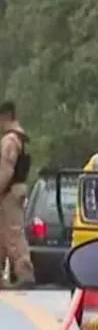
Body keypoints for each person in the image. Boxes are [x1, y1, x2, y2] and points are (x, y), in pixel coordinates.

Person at [0, 101, 34, 288]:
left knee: (13, 233)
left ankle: (24, 273)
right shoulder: (20, 138)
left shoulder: (10, 140)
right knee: (3, 234)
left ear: (5, 116)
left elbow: (5, 170)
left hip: (9, 192)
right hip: (15, 190)